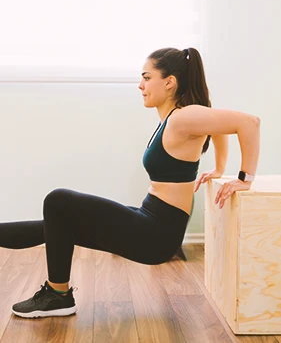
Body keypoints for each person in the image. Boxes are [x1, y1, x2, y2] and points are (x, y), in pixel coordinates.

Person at [1, 47, 260, 318]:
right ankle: (58, 296)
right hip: (150, 220)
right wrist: (218, 167)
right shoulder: (179, 118)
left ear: (169, 82)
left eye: (147, 78)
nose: (141, 85)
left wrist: (245, 179)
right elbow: (218, 124)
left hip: (156, 232)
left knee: (58, 200)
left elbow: (249, 123)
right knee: (58, 225)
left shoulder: (183, 117)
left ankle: (58, 295)